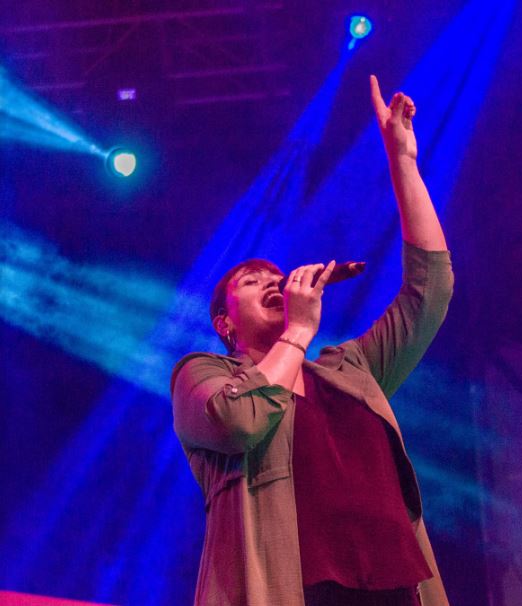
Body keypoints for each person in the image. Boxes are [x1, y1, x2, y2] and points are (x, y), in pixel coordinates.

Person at [170, 75, 453, 606]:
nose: (272, 282)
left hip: (395, 585)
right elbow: (237, 423)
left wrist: (403, 163)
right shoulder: (203, 374)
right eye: (251, 281)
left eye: (275, 276)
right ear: (225, 324)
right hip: (291, 590)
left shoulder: (350, 369)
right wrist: (299, 330)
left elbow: (430, 291)